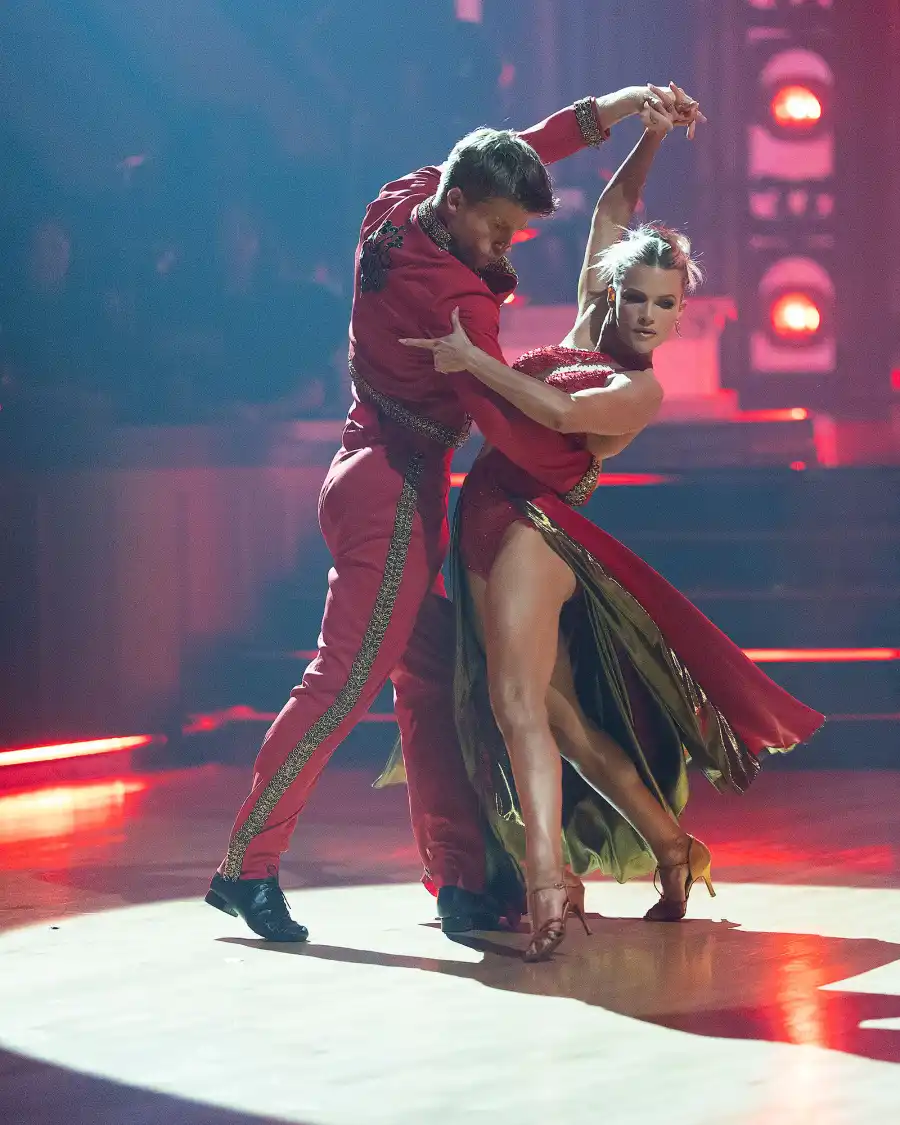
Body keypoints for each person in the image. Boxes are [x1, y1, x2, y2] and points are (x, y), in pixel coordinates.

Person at [205, 83, 705, 941]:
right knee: (343, 682)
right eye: (501, 230)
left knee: (432, 678)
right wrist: (553, 426)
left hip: (375, 462)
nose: (507, 246)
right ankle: (245, 867)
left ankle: (461, 879)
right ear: (461, 202)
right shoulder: (461, 308)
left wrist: (623, 108)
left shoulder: (405, 199)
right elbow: (513, 421)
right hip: (396, 489)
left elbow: (528, 148)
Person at [402, 96, 824, 961]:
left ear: (680, 312)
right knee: (554, 714)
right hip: (480, 507)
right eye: (635, 296)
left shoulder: (642, 389)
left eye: (664, 305)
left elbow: (555, 408)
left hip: (532, 524)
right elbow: (612, 214)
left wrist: (476, 364)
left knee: (513, 699)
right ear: (613, 290)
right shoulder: (590, 321)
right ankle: (673, 848)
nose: (645, 316)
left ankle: (550, 876)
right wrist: (653, 135)